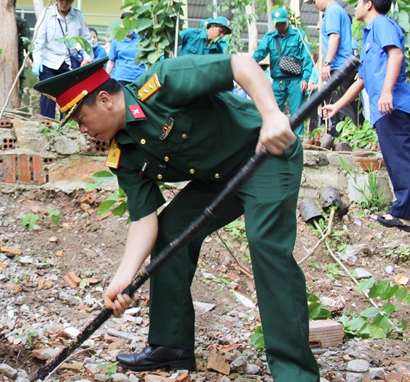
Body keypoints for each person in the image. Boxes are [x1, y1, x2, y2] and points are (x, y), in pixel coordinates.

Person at [33, 55, 319, 381]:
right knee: (171, 232)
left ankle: (296, 373)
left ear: (104, 100)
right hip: (219, 178)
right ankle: (171, 346)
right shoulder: (124, 153)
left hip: (264, 152)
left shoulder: (164, 83)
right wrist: (124, 277)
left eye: (82, 119)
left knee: (266, 244)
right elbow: (144, 220)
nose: (83, 129)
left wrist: (271, 116)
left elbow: (240, 65)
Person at [322, 0, 410, 232]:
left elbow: (396, 56)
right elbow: (360, 81)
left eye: (358, 1)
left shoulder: (381, 24)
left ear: (368, 4)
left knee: (400, 159)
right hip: (385, 108)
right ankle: (403, 210)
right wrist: (335, 106)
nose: (356, 6)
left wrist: (385, 91)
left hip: (394, 105)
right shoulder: (370, 34)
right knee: (396, 159)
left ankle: (404, 214)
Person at [305, 0, 358, 145]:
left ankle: (349, 138)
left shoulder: (333, 11)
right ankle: (342, 138)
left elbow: (335, 37)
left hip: (340, 65)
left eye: (314, 1)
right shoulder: (332, 12)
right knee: (337, 102)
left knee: (343, 104)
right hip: (340, 64)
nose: (314, 5)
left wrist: (326, 63)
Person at [32, 0, 92, 119]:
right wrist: (37, 60)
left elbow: (86, 39)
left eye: (68, 0)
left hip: (69, 62)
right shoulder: (47, 13)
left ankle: (66, 124)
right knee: (48, 94)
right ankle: (46, 123)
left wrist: (88, 58)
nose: (64, 3)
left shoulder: (78, 15)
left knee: (70, 95)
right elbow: (39, 39)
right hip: (49, 61)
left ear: (72, 0)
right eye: (61, 0)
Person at [251, 7, 313, 134]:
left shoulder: (299, 35)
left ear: (288, 20)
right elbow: (260, 53)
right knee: (270, 109)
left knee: (297, 112)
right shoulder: (270, 37)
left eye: (282, 23)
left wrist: (305, 79)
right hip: (278, 81)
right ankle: (269, 135)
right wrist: (249, 63)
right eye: (277, 24)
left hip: (296, 80)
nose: (279, 26)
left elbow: (307, 57)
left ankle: (297, 139)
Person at [0, 0, 33, 104]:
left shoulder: (20, 23)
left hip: (12, 71)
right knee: (1, 102)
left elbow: (27, 45)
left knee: (9, 103)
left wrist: (35, 60)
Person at [106, 12, 147, 86]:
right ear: (121, 24)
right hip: (121, 78)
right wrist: (106, 78)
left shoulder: (141, 38)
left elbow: (146, 60)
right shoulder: (116, 40)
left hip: (139, 78)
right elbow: (111, 61)